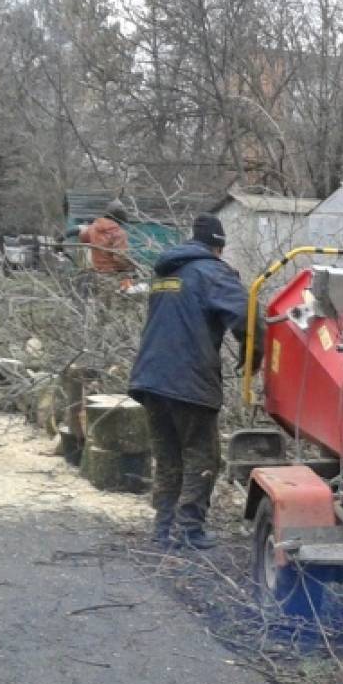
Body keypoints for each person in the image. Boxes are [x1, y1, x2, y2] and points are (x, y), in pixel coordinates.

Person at [128, 212, 261, 550]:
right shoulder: (212, 272)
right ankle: (189, 530)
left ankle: (162, 531)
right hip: (188, 381)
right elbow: (249, 317)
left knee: (169, 457)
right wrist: (253, 355)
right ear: (219, 246)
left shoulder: (165, 272)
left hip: (150, 378)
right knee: (203, 457)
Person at [78, 201, 135, 277]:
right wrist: (131, 266)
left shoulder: (93, 227)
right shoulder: (118, 233)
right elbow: (119, 258)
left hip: (98, 272)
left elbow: (83, 238)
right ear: (120, 219)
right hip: (113, 275)